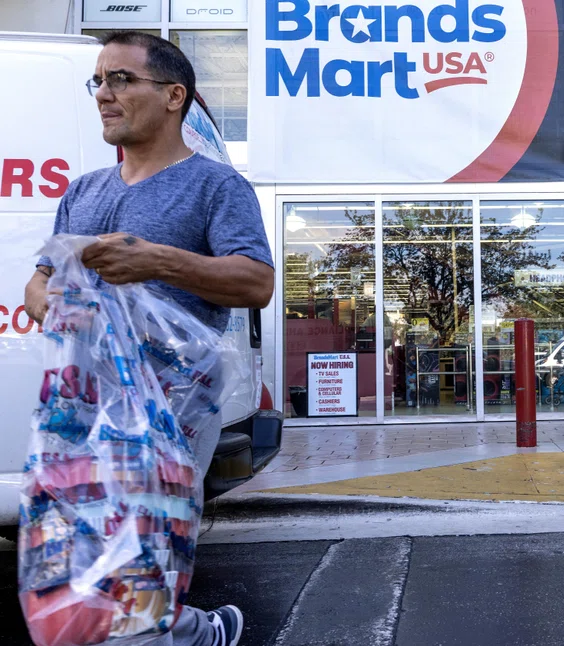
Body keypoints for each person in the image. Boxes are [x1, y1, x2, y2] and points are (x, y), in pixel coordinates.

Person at [23, 31, 274, 646]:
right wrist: (52, 301)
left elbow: (256, 281)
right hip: (80, 397)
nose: (104, 95)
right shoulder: (83, 191)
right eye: (99, 81)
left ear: (172, 96)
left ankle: (168, 633)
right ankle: (193, 631)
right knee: (71, 543)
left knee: (141, 544)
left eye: (121, 80)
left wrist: (158, 262)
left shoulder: (215, 186)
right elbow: (38, 284)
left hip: (172, 396)